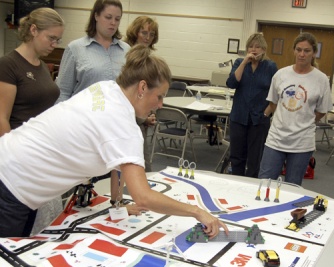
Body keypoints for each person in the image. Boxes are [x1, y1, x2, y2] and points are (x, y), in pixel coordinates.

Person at [0, 45, 229, 238]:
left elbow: (116, 163)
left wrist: (118, 207)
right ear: (141, 87)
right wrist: (197, 212)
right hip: (11, 185)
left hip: (12, 168)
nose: (160, 105)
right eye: (159, 96)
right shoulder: (122, 124)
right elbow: (144, 196)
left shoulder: (105, 89)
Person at [55, 0, 130, 209]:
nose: (113, 23)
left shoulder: (126, 51)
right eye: (108, 17)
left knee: (113, 193)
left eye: (117, 19)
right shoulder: (76, 48)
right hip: (83, 129)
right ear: (96, 15)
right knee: (79, 192)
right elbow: (63, 92)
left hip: (115, 129)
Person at [0, 8, 64, 236]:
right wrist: (14, 159)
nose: (54, 44)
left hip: (40, 159)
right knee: (13, 233)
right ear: (34, 30)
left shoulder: (41, 66)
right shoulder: (9, 65)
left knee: (36, 229)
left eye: (58, 39)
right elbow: (1, 119)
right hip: (17, 163)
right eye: (51, 38)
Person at [259, 32, 332, 186]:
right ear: (294, 51)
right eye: (298, 50)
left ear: (314, 53)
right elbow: (273, 103)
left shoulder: (321, 79)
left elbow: (322, 110)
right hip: (276, 139)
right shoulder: (280, 75)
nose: (302, 54)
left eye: (307, 51)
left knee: (293, 187)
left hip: (302, 142)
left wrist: (303, 119)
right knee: (265, 183)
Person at [226, 33, 277, 178]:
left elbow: (276, 94)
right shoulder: (239, 63)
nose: (254, 49)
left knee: (255, 159)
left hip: (259, 119)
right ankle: (236, 184)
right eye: (251, 46)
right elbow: (231, 83)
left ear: (264, 49)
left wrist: (267, 113)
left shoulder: (270, 66)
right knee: (237, 157)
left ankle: (251, 189)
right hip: (239, 116)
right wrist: (244, 62)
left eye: (258, 46)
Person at [125, 16, 159, 172]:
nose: (147, 37)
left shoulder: (149, 58)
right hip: (126, 119)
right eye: (144, 33)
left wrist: (149, 114)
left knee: (142, 163)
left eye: (151, 35)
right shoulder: (125, 54)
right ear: (135, 32)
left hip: (141, 120)